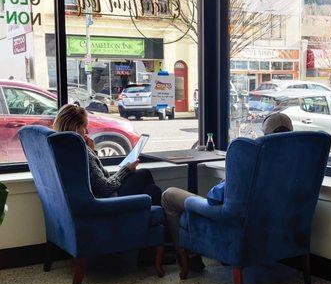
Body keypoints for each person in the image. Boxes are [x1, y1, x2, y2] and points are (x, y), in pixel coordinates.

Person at [161, 113, 294, 262]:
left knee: (169, 195)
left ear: (265, 134)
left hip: (234, 220)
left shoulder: (252, 158)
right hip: (279, 222)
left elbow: (214, 198)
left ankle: (186, 257)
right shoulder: (301, 162)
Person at [52, 104, 162, 205]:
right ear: (75, 128)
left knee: (151, 190)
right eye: (85, 127)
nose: (87, 131)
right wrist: (126, 170)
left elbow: (93, 175)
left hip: (94, 197)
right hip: (105, 200)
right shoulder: (81, 152)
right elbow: (105, 188)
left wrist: (92, 150)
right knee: (145, 176)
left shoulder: (61, 147)